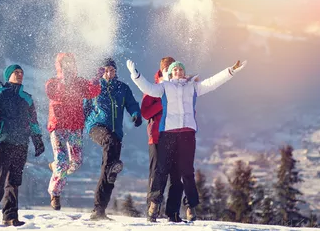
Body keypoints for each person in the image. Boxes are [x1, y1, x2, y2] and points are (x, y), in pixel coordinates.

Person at [126, 59, 247, 222]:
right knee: (161, 170)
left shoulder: (193, 87)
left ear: (184, 72)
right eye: (175, 70)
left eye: (180, 70)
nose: (178, 72)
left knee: (187, 172)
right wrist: (136, 75)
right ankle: (154, 204)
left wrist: (230, 71)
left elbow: (212, 83)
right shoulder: (164, 87)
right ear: (170, 73)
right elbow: (147, 88)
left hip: (187, 134)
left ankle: (191, 206)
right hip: (167, 133)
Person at [0, 64, 45, 228]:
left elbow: (33, 121)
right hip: (2, 140)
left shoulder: (27, 98)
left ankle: (10, 216)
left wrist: (37, 139)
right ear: (8, 75)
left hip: (21, 143)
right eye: (16, 72)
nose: (20, 74)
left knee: (14, 181)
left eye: (22, 72)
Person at [84, 58, 143, 221]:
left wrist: (136, 115)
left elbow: (132, 104)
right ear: (101, 71)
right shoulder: (94, 86)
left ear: (116, 72)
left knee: (109, 172)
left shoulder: (122, 88)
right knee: (109, 143)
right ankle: (99, 208)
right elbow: (85, 104)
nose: (109, 73)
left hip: (116, 132)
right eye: (106, 70)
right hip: (97, 126)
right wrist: (85, 120)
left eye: (112, 70)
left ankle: (99, 210)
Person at [45, 53, 101, 210]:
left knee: (76, 162)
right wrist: (64, 81)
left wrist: (96, 79)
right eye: (64, 63)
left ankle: (56, 166)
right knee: (63, 162)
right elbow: (52, 93)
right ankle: (55, 193)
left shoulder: (80, 81)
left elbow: (92, 92)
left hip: (75, 126)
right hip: (58, 126)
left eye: (70, 63)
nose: (68, 65)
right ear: (59, 65)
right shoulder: (53, 82)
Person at [140, 57, 184, 222]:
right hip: (157, 137)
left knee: (176, 174)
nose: (170, 72)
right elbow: (145, 112)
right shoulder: (154, 88)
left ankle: (173, 213)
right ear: (162, 70)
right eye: (167, 69)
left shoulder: (180, 88)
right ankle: (152, 210)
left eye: (173, 69)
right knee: (157, 174)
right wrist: (164, 103)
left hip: (176, 136)